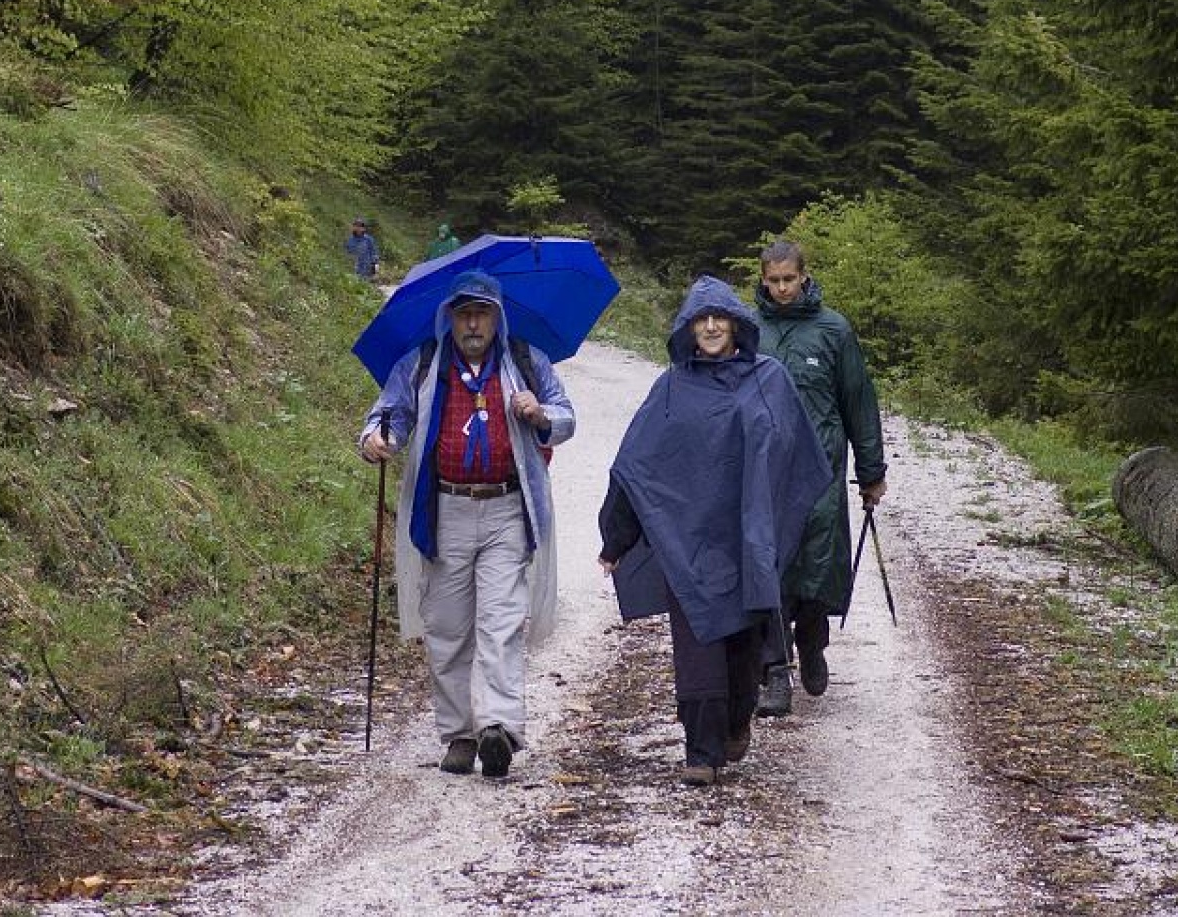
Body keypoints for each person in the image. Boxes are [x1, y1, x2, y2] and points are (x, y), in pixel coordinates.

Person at [598, 275, 831, 786]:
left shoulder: (768, 379)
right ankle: (700, 751)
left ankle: (736, 722)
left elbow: (797, 455)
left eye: (719, 317)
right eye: (700, 319)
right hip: (689, 540)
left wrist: (788, 519)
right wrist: (616, 537)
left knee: (743, 645)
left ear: (736, 324)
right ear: (687, 327)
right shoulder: (671, 388)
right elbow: (637, 465)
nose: (709, 327)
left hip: (748, 540)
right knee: (697, 643)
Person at [357, 270, 574, 779]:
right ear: (449, 318)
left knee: (501, 622)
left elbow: (566, 417)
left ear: (498, 317)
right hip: (445, 508)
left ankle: (497, 726)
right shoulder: (423, 363)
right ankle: (459, 733)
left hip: (506, 508)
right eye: (464, 314)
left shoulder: (525, 361)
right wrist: (376, 440)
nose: (473, 323)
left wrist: (540, 413)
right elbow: (388, 415)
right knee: (448, 626)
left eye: (482, 313)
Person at [754, 239, 888, 716]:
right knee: (766, 566)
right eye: (774, 280)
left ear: (804, 277)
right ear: (763, 280)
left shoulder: (834, 330)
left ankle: (812, 641)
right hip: (763, 471)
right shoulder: (748, 330)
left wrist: (871, 471)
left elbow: (858, 401)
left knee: (816, 564)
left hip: (821, 470)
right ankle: (775, 671)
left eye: (790, 279)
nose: (783, 288)